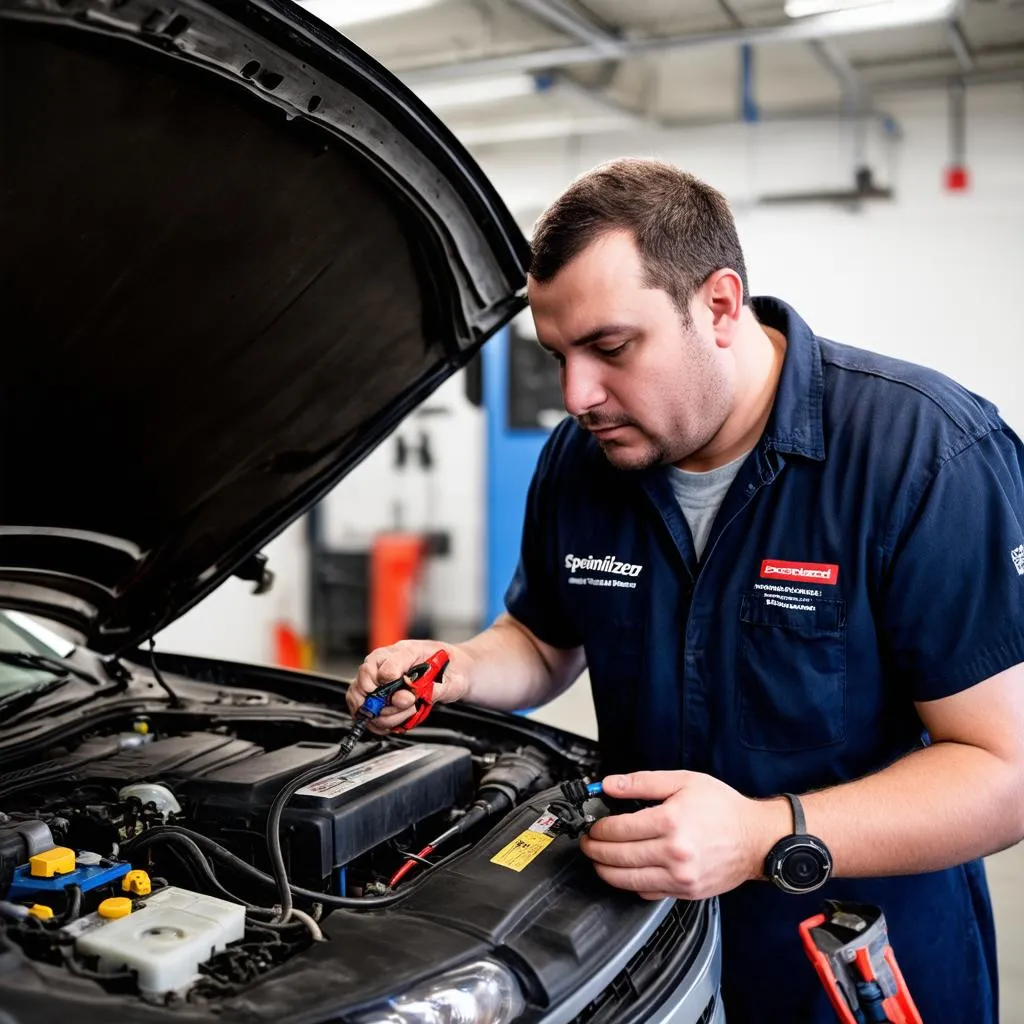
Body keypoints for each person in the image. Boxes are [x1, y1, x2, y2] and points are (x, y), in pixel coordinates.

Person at [346, 158, 1024, 1023]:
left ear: (719, 304)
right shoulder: (581, 463)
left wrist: (757, 837)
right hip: (640, 947)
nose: (576, 395)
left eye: (611, 348)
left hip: (852, 964)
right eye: (558, 355)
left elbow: (1004, 775)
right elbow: (546, 639)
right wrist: (459, 667)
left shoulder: (923, 456)